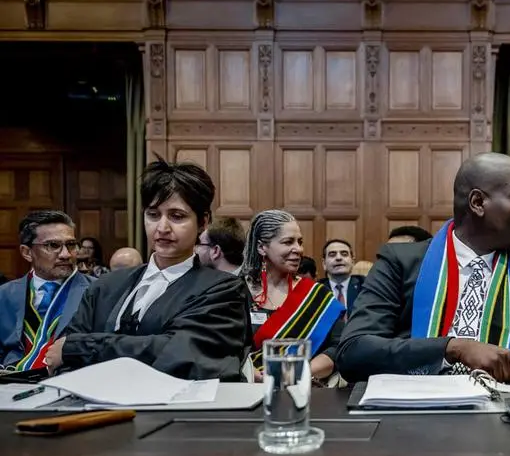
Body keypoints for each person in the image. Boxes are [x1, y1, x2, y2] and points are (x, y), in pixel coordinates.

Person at [336, 152, 510, 384]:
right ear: (478, 203)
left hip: (505, 406)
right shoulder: (401, 262)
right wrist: (452, 348)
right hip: (414, 404)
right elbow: (353, 352)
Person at [46, 158, 251, 381]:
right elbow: (61, 356)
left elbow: (182, 355)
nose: (162, 228)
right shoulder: (105, 286)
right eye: (153, 215)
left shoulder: (224, 289)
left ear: (203, 222)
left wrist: (82, 348)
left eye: (177, 216)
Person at [243, 210, 344, 382]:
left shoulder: (317, 295)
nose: (298, 249)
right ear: (261, 247)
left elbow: (337, 348)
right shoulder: (236, 291)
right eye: (288, 242)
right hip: (246, 388)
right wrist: (252, 375)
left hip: (305, 388)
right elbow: (224, 349)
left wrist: (296, 372)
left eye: (300, 242)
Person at [0, 211, 93, 370]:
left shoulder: (97, 291)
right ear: (27, 252)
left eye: (71, 245)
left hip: (71, 379)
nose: (65, 254)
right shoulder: (4, 295)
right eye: (53, 245)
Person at [317, 239, 364, 314]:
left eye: (344, 254)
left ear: (352, 262)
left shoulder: (366, 286)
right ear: (324, 264)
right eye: (332, 255)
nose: (338, 258)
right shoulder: (316, 290)